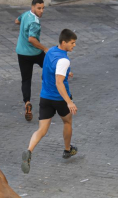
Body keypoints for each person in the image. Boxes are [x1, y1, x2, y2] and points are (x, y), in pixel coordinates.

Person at [21, 29, 77, 174]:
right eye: (72, 43)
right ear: (64, 42)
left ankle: (29, 150)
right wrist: (69, 102)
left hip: (45, 97)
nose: (74, 45)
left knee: (42, 130)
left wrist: (66, 72)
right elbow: (59, 82)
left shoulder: (51, 51)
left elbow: (50, 70)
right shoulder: (64, 60)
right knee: (67, 122)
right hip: (60, 99)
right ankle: (67, 149)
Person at [15, 0, 48, 122]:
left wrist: (23, 26)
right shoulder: (35, 22)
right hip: (35, 53)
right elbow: (32, 39)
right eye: (39, 8)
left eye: (43, 8)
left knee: (26, 79)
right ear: (33, 7)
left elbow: (16, 21)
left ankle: (27, 102)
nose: (41, 11)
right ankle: (51, 91)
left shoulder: (25, 15)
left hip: (22, 53)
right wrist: (45, 48)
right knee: (49, 67)